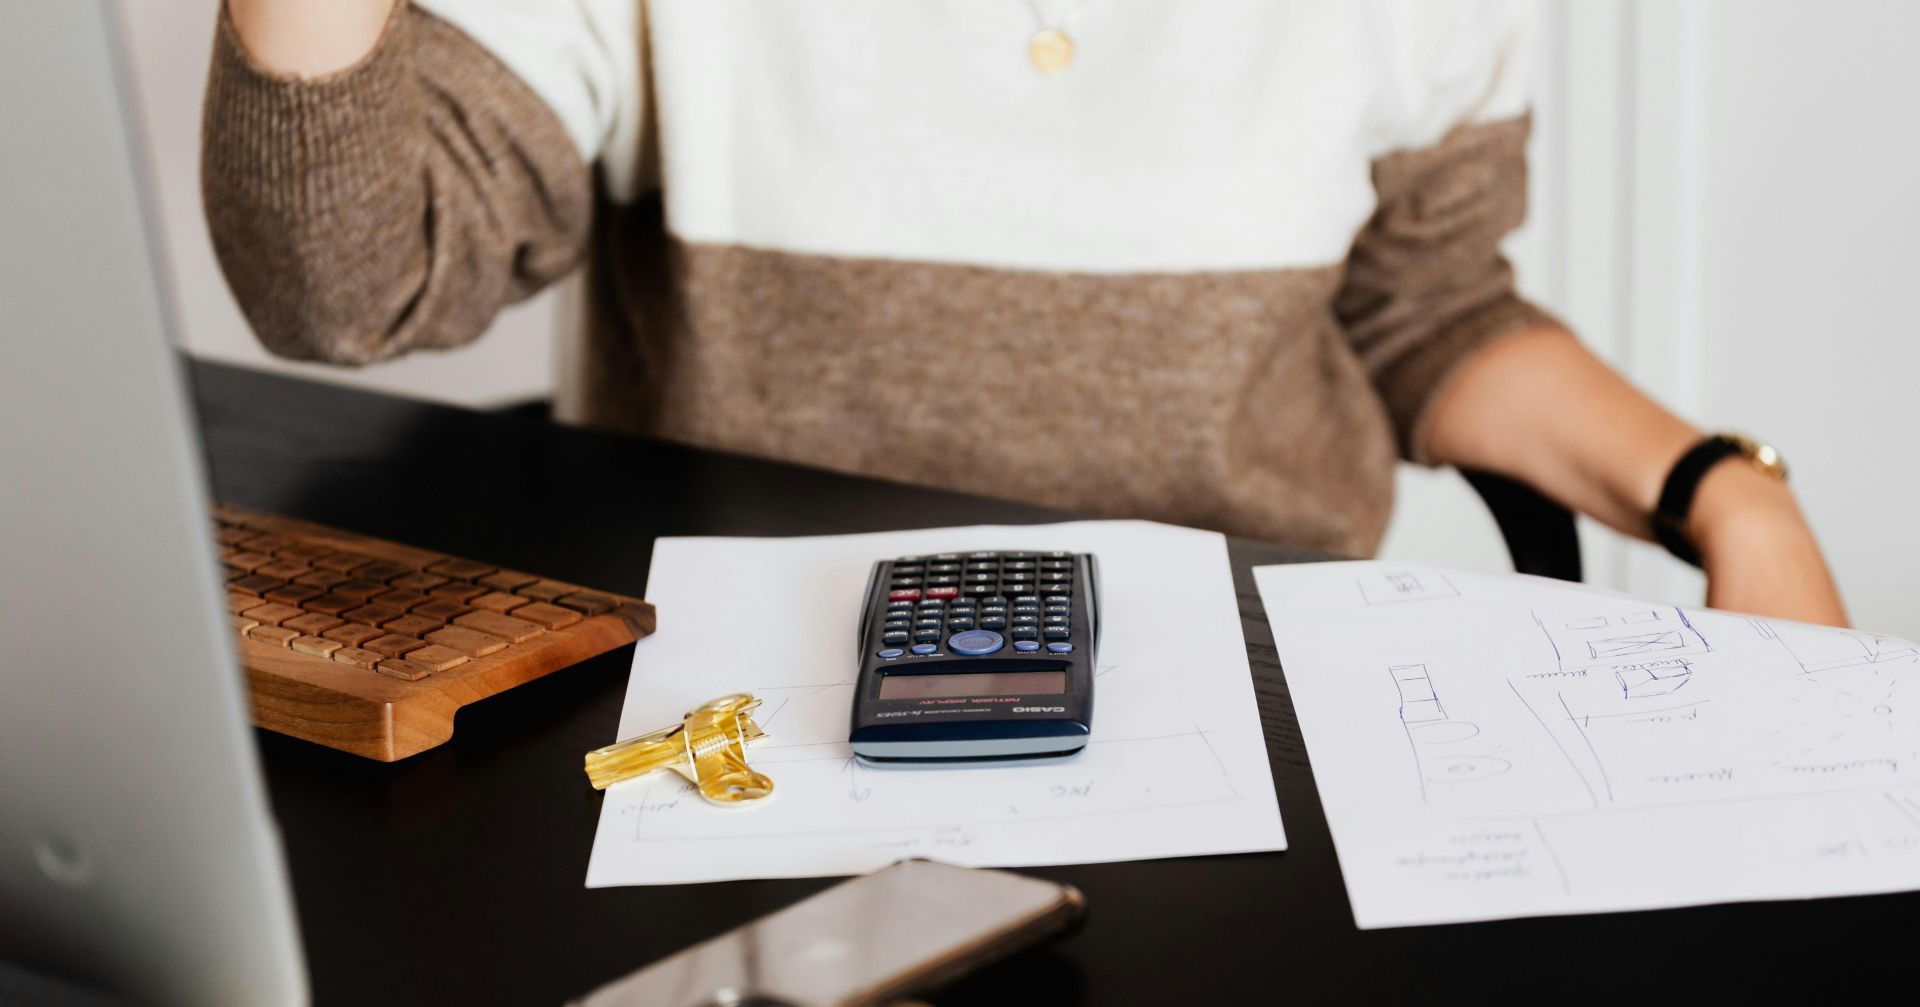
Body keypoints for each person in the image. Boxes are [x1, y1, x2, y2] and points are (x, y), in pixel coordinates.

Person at [202, 0, 1848, 625]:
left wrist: (1729, 490)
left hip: (1256, 691)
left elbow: (1421, 308)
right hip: (744, 710)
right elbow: (352, 283)